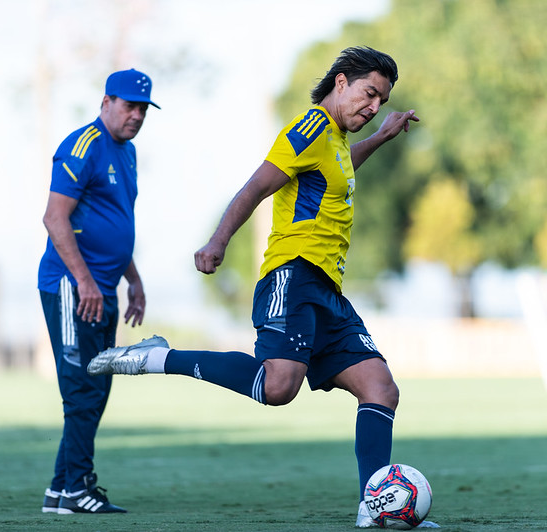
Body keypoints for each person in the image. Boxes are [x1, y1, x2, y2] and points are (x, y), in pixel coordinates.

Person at [88, 47, 438, 528]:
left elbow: (340, 169)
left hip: (327, 291)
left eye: (381, 100)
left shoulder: (334, 139)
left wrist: (379, 136)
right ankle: (158, 358)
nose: (373, 105)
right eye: (369, 93)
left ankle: (373, 509)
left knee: (380, 388)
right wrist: (218, 240)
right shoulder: (310, 128)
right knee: (277, 387)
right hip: (292, 276)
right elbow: (256, 186)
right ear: (341, 83)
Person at [38, 68, 160, 514]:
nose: (137, 115)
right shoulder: (82, 145)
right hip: (73, 289)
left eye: (144, 109)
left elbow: (114, 225)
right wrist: (86, 281)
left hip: (103, 290)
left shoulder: (127, 154)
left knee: (96, 388)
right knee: (83, 390)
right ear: (106, 101)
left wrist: (135, 280)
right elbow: (55, 219)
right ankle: (78, 489)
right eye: (130, 106)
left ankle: (60, 489)